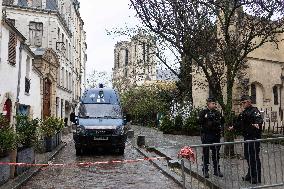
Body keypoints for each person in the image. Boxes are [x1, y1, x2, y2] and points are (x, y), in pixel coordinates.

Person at [229, 95, 263, 184]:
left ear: (249, 102)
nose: (243, 104)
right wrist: (234, 127)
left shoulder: (254, 111)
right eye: (242, 103)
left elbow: (259, 119)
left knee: (254, 157)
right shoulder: (245, 112)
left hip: (254, 138)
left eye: (244, 102)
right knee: (248, 156)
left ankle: (256, 177)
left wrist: (258, 124)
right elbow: (240, 122)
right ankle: (250, 174)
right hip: (247, 137)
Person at [199, 97, 224, 178]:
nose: (214, 105)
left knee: (216, 154)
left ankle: (217, 170)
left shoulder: (217, 113)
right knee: (205, 154)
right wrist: (207, 119)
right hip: (206, 135)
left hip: (215, 136)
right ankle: (205, 170)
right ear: (208, 104)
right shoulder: (203, 112)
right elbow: (200, 121)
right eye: (213, 103)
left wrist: (213, 122)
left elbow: (221, 121)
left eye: (215, 103)